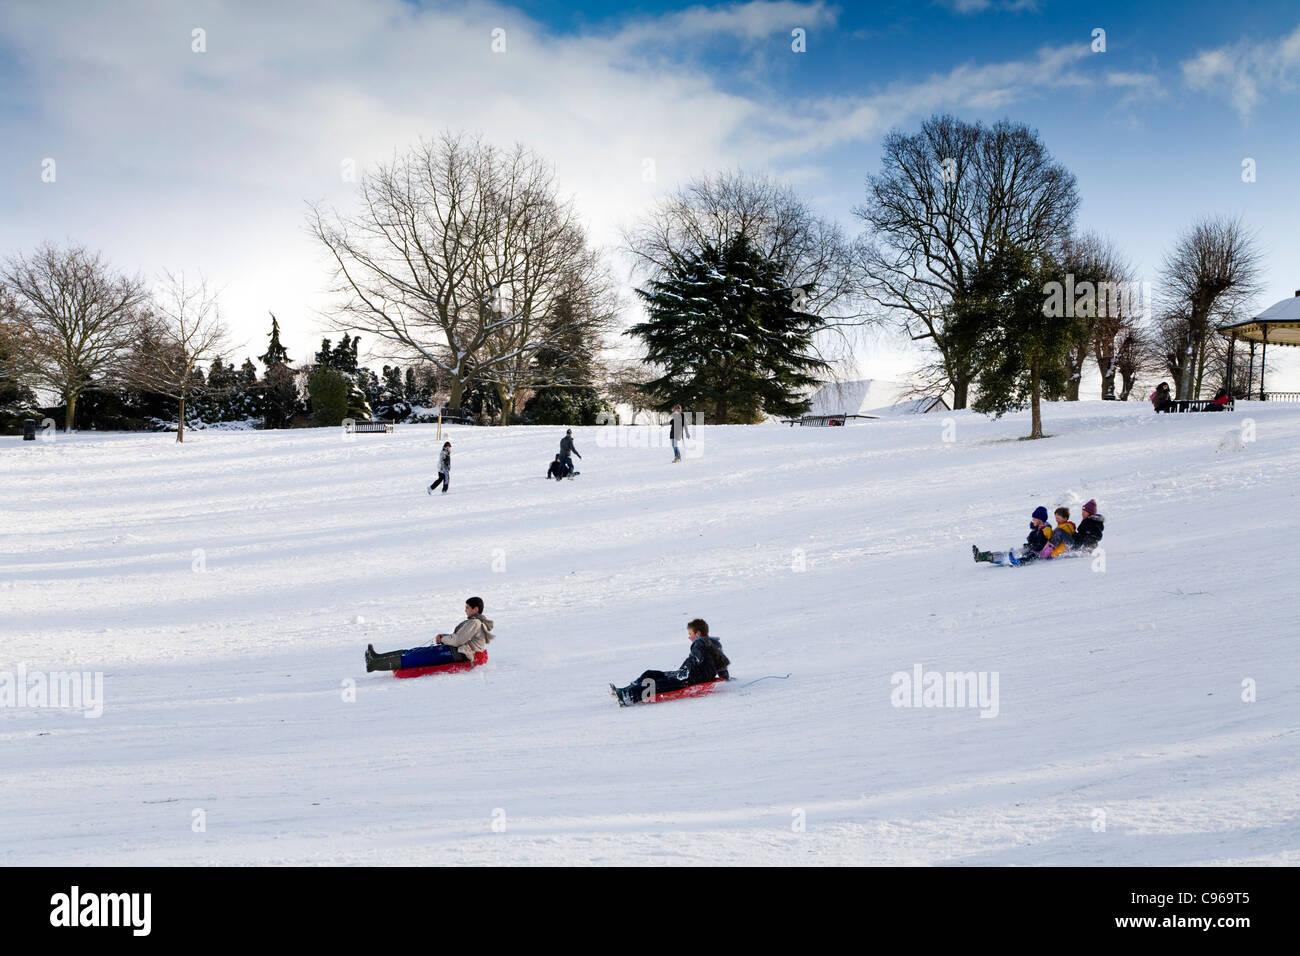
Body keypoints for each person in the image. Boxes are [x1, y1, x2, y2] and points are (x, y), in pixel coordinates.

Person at [610, 619, 729, 706]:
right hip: (684, 674)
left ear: (697, 634)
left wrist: (694, 667)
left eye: (690, 634)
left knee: (655, 683)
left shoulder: (699, 644)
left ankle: (627, 696)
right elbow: (721, 664)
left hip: (686, 679)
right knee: (651, 674)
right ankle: (626, 690)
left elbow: (700, 659)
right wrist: (725, 678)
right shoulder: (714, 645)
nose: (689, 637)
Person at [365, 597, 495, 672]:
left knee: (415, 657)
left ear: (475, 609)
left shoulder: (475, 623)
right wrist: (444, 637)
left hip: (456, 653)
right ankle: (377, 657)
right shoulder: (474, 622)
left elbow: (457, 641)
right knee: (413, 652)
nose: (465, 610)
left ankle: (374, 664)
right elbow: (460, 637)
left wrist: (443, 639)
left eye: (467, 607)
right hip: (455, 651)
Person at [972, 506, 1052, 565]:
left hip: (1037, 553)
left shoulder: (1044, 530)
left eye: (1034, 519)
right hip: (1030, 548)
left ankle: (1020, 562)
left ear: (1040, 520)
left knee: (1030, 556)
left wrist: (1031, 546)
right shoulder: (1038, 529)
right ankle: (981, 556)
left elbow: (1041, 544)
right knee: (1007, 554)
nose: (1032, 520)